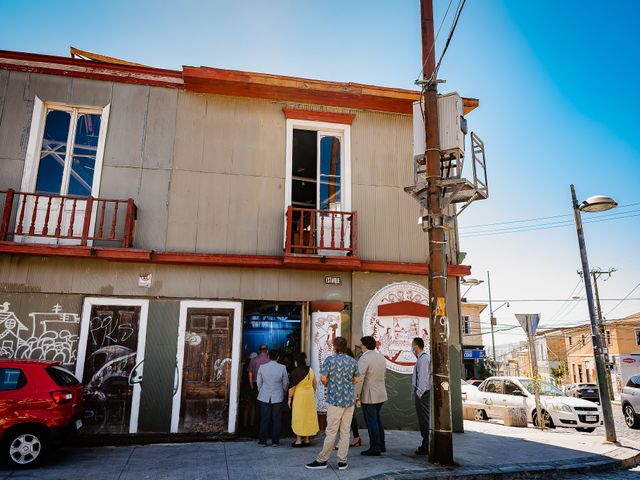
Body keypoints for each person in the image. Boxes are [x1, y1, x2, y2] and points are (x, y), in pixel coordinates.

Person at [305, 337, 359, 471]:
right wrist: (346, 385)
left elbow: (323, 378)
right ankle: (342, 461)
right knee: (345, 431)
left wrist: (329, 384)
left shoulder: (330, 360)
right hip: (349, 401)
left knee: (331, 431)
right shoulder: (353, 361)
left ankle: (322, 460)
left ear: (335, 347)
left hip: (335, 400)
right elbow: (356, 380)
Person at [356, 336, 388, 456]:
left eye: (361, 344)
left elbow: (359, 379)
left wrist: (356, 395)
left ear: (365, 345)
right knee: (377, 419)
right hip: (381, 393)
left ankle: (375, 447)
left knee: (371, 421)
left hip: (369, 394)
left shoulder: (364, 358)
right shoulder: (381, 357)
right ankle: (381, 445)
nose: (361, 346)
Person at [257, 349, 289, 447]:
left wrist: (262, 391)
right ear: (278, 357)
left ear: (268, 356)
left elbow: (259, 383)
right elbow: (285, 383)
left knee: (264, 419)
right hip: (277, 396)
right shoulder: (282, 367)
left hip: (265, 396)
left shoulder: (262, 367)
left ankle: (263, 441)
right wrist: (283, 392)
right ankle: (275, 441)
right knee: (277, 419)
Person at [288, 352, 319, 447]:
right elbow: (315, 383)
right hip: (309, 396)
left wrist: (289, 398)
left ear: (296, 362)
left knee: (299, 416)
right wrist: (312, 392)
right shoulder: (310, 370)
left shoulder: (295, 372)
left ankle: (298, 440)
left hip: (299, 396)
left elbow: (292, 388)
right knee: (308, 416)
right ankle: (306, 439)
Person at [411, 337, 431, 456]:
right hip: (422, 393)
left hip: (422, 394)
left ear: (417, 347)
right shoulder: (422, 358)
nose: (412, 348)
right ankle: (426, 444)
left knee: (424, 420)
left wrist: (419, 393)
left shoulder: (423, 360)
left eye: (412, 345)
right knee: (423, 419)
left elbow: (423, 379)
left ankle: (426, 445)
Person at [346, 348, 362, 448]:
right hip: (349, 393)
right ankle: (356, 437)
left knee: (349, 417)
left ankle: (352, 438)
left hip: (349, 393)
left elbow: (356, 380)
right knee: (351, 417)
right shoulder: (354, 364)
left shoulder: (352, 365)